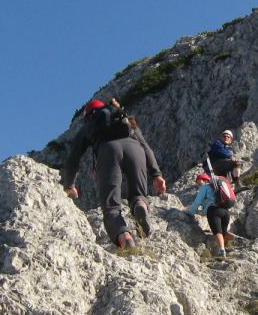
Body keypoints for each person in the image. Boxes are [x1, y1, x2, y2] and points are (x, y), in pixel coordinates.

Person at [61, 98, 167, 249]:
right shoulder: (125, 118)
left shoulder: (90, 125)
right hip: (135, 149)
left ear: (88, 116)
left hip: (108, 152)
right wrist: (157, 175)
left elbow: (73, 157)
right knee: (138, 194)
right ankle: (140, 204)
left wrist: (70, 184)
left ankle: (125, 237)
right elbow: (145, 146)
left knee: (111, 207)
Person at [187, 172, 235, 258]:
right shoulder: (218, 188)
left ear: (206, 181)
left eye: (199, 181)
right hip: (225, 211)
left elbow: (197, 202)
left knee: (217, 232)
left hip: (214, 211)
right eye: (197, 181)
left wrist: (191, 213)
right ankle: (238, 240)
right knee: (223, 233)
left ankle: (222, 252)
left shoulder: (204, 188)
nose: (198, 183)